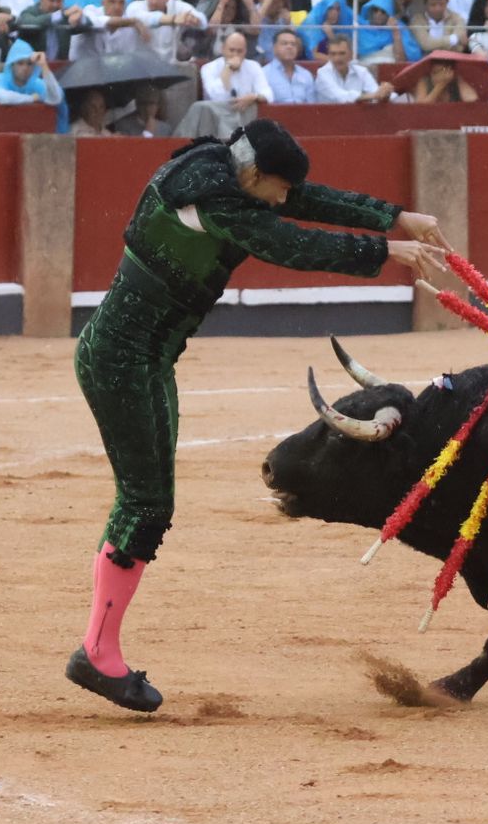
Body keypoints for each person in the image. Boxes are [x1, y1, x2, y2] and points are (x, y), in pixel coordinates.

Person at [64, 118, 450, 712]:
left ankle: (97, 646)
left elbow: (305, 200)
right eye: (278, 189)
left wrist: (396, 216)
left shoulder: (224, 170)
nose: (283, 201)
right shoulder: (215, 198)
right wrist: (386, 251)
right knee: (145, 505)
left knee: (142, 503)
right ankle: (96, 652)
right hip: (123, 361)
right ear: (256, 175)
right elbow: (292, 243)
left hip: (141, 357)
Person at [202, 29, 274, 109]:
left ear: (245, 51)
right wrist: (228, 68)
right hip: (217, 114)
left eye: (240, 51)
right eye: (231, 50)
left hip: (246, 113)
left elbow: (268, 95)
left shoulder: (254, 66)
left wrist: (254, 97)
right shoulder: (208, 68)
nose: (235, 55)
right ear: (222, 49)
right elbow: (217, 97)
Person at [314, 33, 393, 102]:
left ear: (351, 54)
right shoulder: (322, 73)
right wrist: (374, 95)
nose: (337, 58)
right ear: (329, 55)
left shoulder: (362, 71)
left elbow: (376, 92)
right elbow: (340, 96)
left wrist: (385, 93)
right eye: (333, 54)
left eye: (342, 53)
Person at [264, 27, 317, 103]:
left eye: (293, 44)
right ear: (274, 48)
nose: (289, 47)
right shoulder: (264, 74)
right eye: (284, 44)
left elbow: (312, 106)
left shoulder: (306, 75)